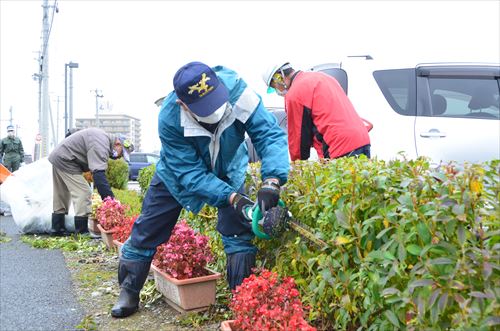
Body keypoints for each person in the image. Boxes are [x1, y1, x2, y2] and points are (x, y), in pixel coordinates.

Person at [111, 61, 290, 318]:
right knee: (149, 228)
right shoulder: (170, 118)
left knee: (238, 231)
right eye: (206, 109)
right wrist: (231, 197)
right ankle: (129, 290)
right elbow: (190, 174)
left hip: (229, 168)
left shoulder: (239, 91)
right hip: (175, 176)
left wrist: (272, 180)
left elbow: (268, 134)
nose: (215, 111)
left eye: (216, 101)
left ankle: (241, 299)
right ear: (183, 104)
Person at [262, 62, 371, 161]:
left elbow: (298, 137)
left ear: (279, 78)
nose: (278, 91)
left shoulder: (295, 93)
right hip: (362, 139)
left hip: (339, 146)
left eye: (275, 87)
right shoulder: (322, 77)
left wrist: (298, 165)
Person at [48, 128, 134, 235]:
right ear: (117, 143)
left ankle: (57, 228)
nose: (119, 157)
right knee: (84, 192)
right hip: (67, 160)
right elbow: (98, 175)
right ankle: (82, 231)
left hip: (59, 156)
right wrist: (110, 201)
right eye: (121, 153)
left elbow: (74, 133)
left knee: (61, 193)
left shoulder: (102, 137)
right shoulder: (101, 144)